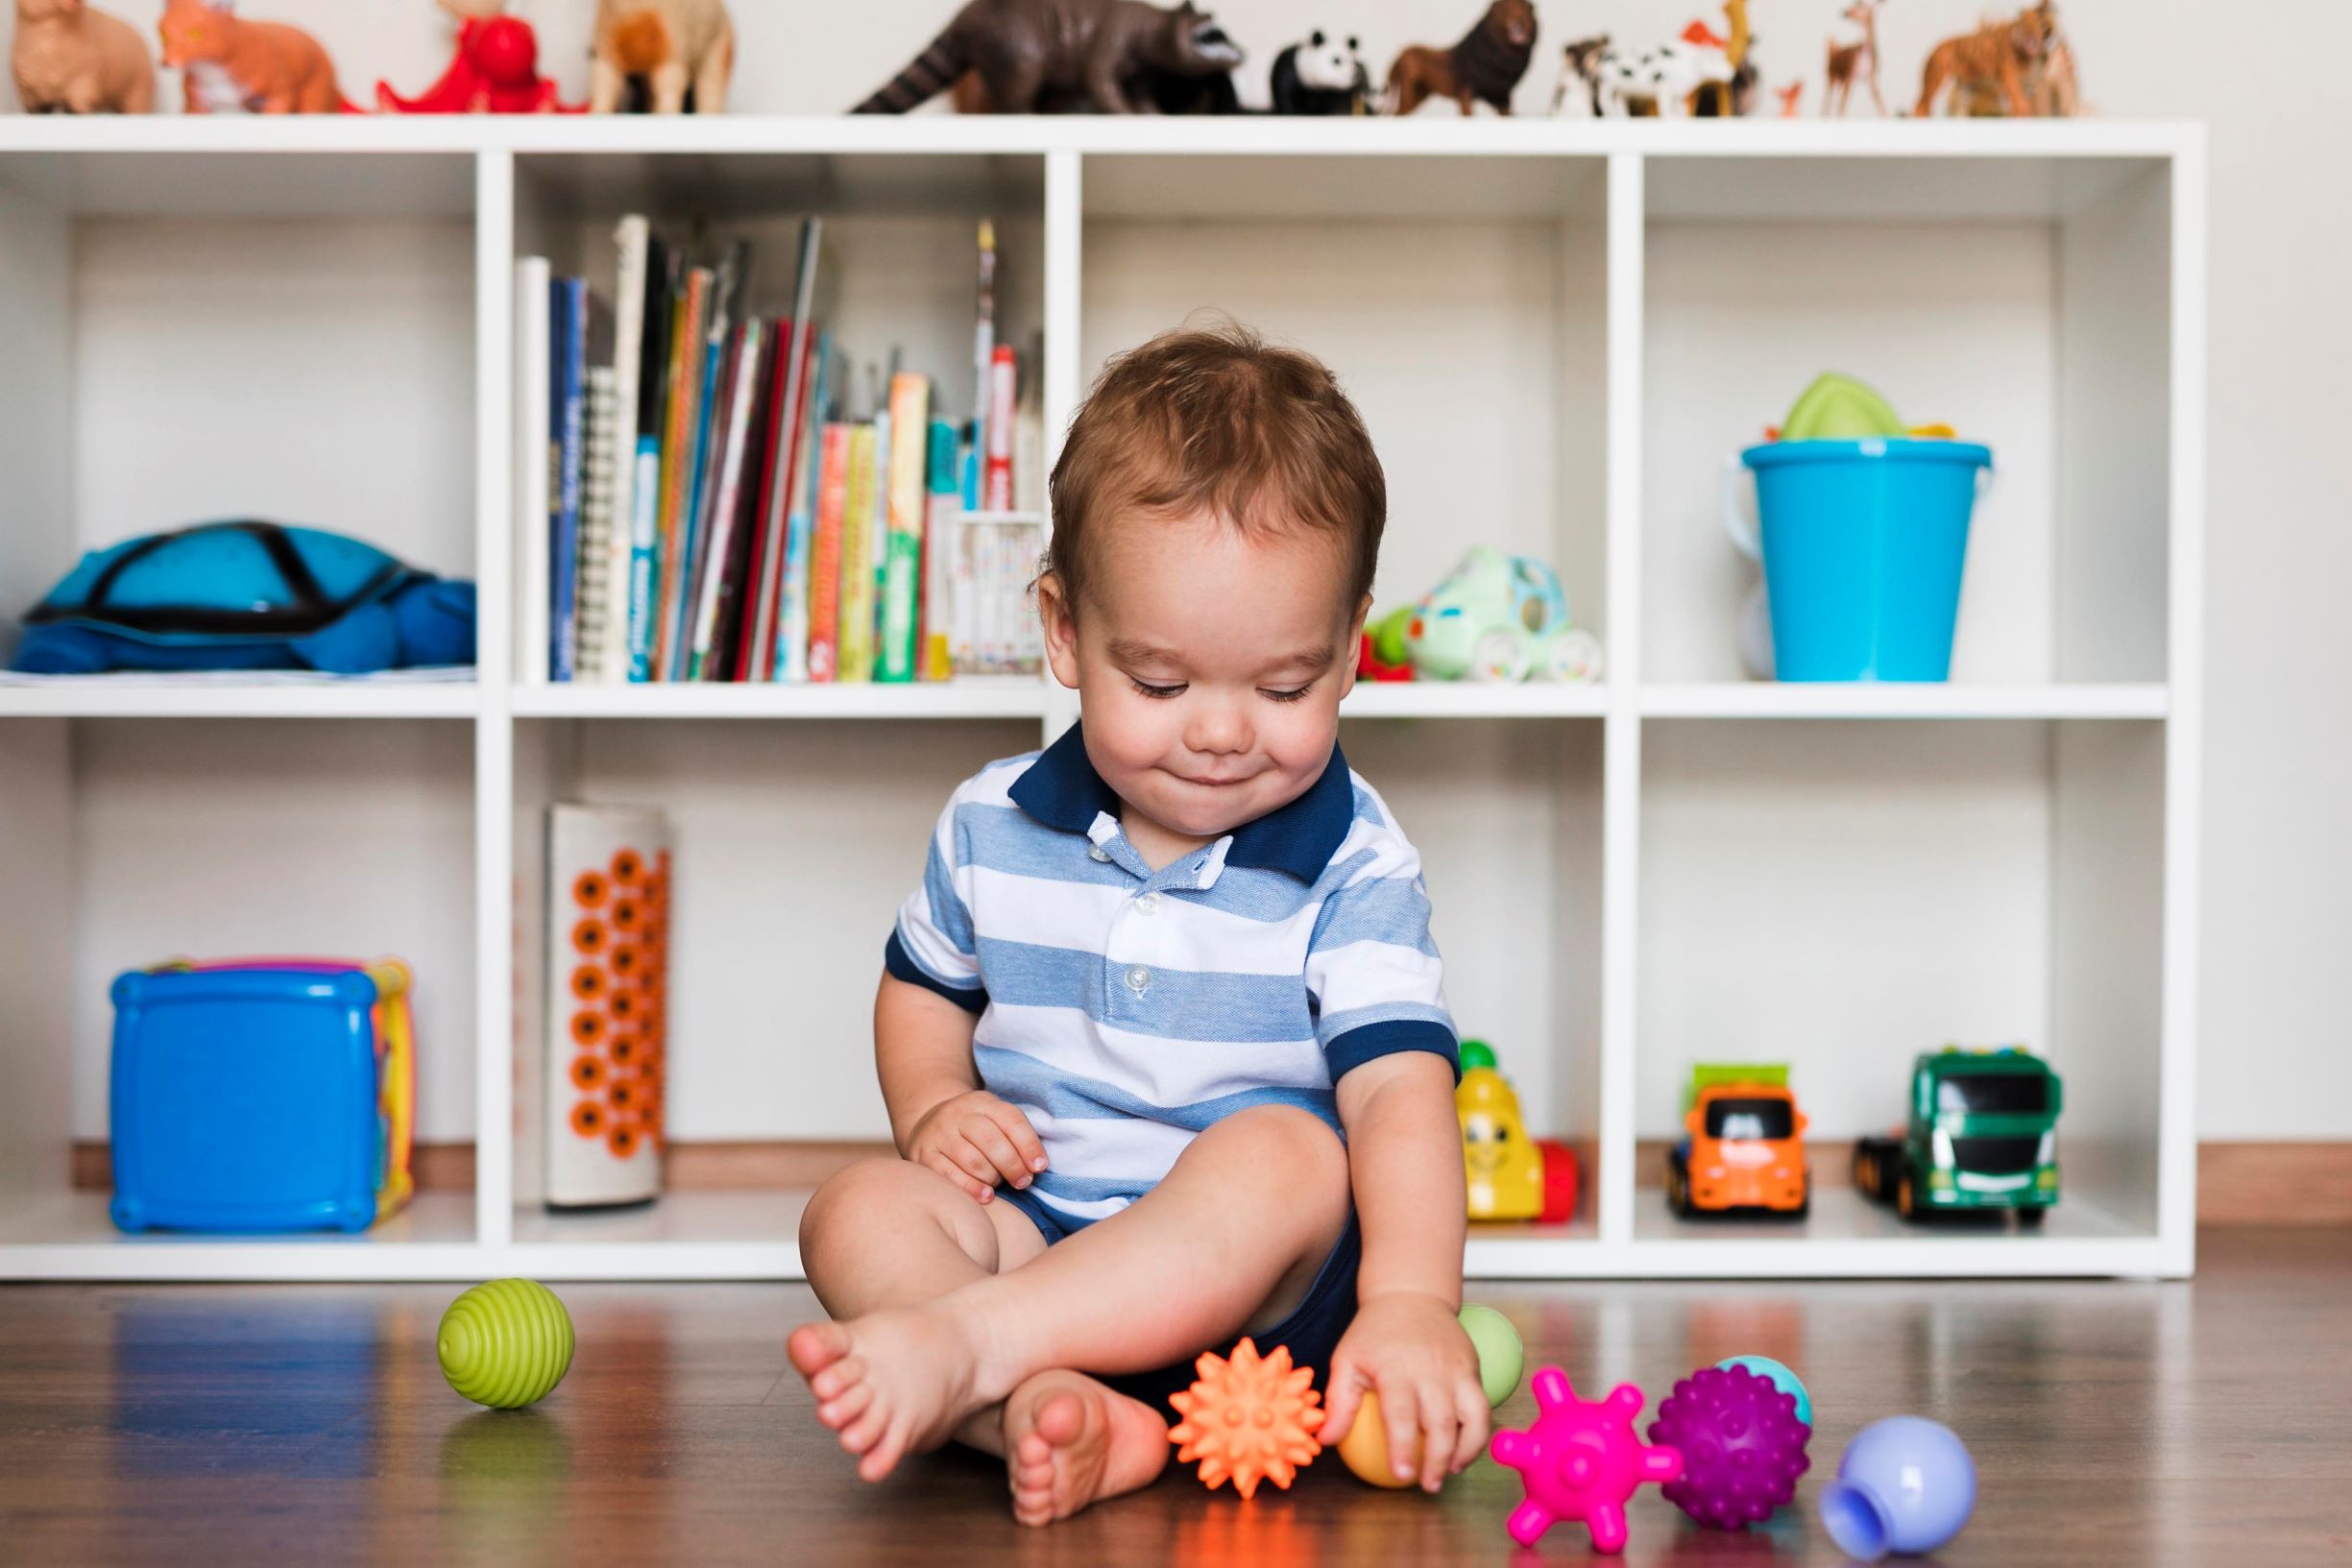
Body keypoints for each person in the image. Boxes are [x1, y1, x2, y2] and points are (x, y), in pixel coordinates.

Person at [788, 322, 1480, 1525]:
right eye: (1160, 683)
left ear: (1347, 653)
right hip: (1042, 1234)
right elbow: (922, 988)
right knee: (853, 1208)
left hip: (1259, 1307)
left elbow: (1398, 1097)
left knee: (1287, 1153)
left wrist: (1413, 1301)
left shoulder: (1355, 863)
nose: (1220, 731)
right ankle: (1055, 1413)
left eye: (1283, 686)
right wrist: (935, 1107)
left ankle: (966, 1349)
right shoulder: (992, 822)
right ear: (1064, 630)